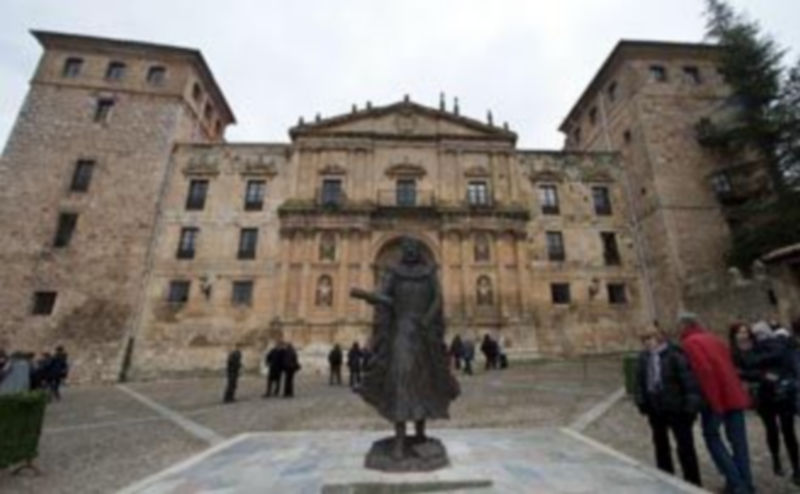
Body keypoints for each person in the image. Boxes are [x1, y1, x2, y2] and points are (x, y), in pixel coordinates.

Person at [350, 237, 459, 460]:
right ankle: (399, 441)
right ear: (402, 252)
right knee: (400, 381)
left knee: (425, 383)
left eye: (413, 248)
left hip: (424, 334)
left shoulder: (428, 272)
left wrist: (428, 320)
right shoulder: (393, 272)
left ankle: (420, 434)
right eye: (406, 248)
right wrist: (371, 297)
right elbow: (385, 297)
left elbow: (437, 298)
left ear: (419, 251)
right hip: (401, 332)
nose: (410, 251)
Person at [678, 312, 753, 494]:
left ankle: (737, 482)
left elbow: (705, 372)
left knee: (712, 437)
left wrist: (714, 402)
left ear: (685, 326)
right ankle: (746, 483)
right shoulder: (714, 338)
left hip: (716, 398)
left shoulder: (690, 343)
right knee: (739, 442)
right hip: (733, 395)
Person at [730, 322, 800, 485]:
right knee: (773, 429)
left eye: (747, 332)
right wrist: (762, 375)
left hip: (779, 392)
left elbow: (777, 363)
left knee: (787, 430)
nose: (745, 335)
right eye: (741, 332)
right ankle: (778, 460)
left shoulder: (763, 347)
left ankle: (795, 467)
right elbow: (743, 372)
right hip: (765, 394)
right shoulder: (740, 352)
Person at [634, 325, 703, 487]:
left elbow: (688, 381)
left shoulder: (674, 355)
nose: (647, 343)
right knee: (660, 444)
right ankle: (665, 477)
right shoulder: (643, 358)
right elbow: (640, 382)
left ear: (659, 338)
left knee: (685, 447)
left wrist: (690, 406)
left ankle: (692, 482)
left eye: (650, 339)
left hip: (677, 407)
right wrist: (641, 402)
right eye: (644, 340)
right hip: (655, 408)